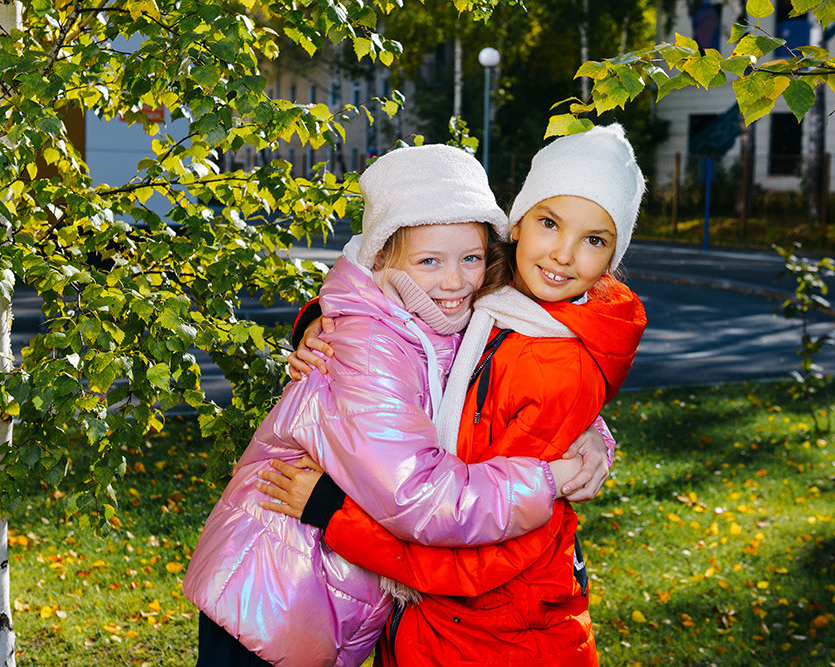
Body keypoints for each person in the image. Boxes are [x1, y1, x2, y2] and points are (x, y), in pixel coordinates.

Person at [182, 143, 610, 667]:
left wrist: (589, 432)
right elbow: (417, 498)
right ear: (381, 257)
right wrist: (547, 480)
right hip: (275, 587)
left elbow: (513, 391)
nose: (454, 281)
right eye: (429, 260)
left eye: (470, 258)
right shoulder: (371, 346)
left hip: (331, 589)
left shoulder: (465, 316)